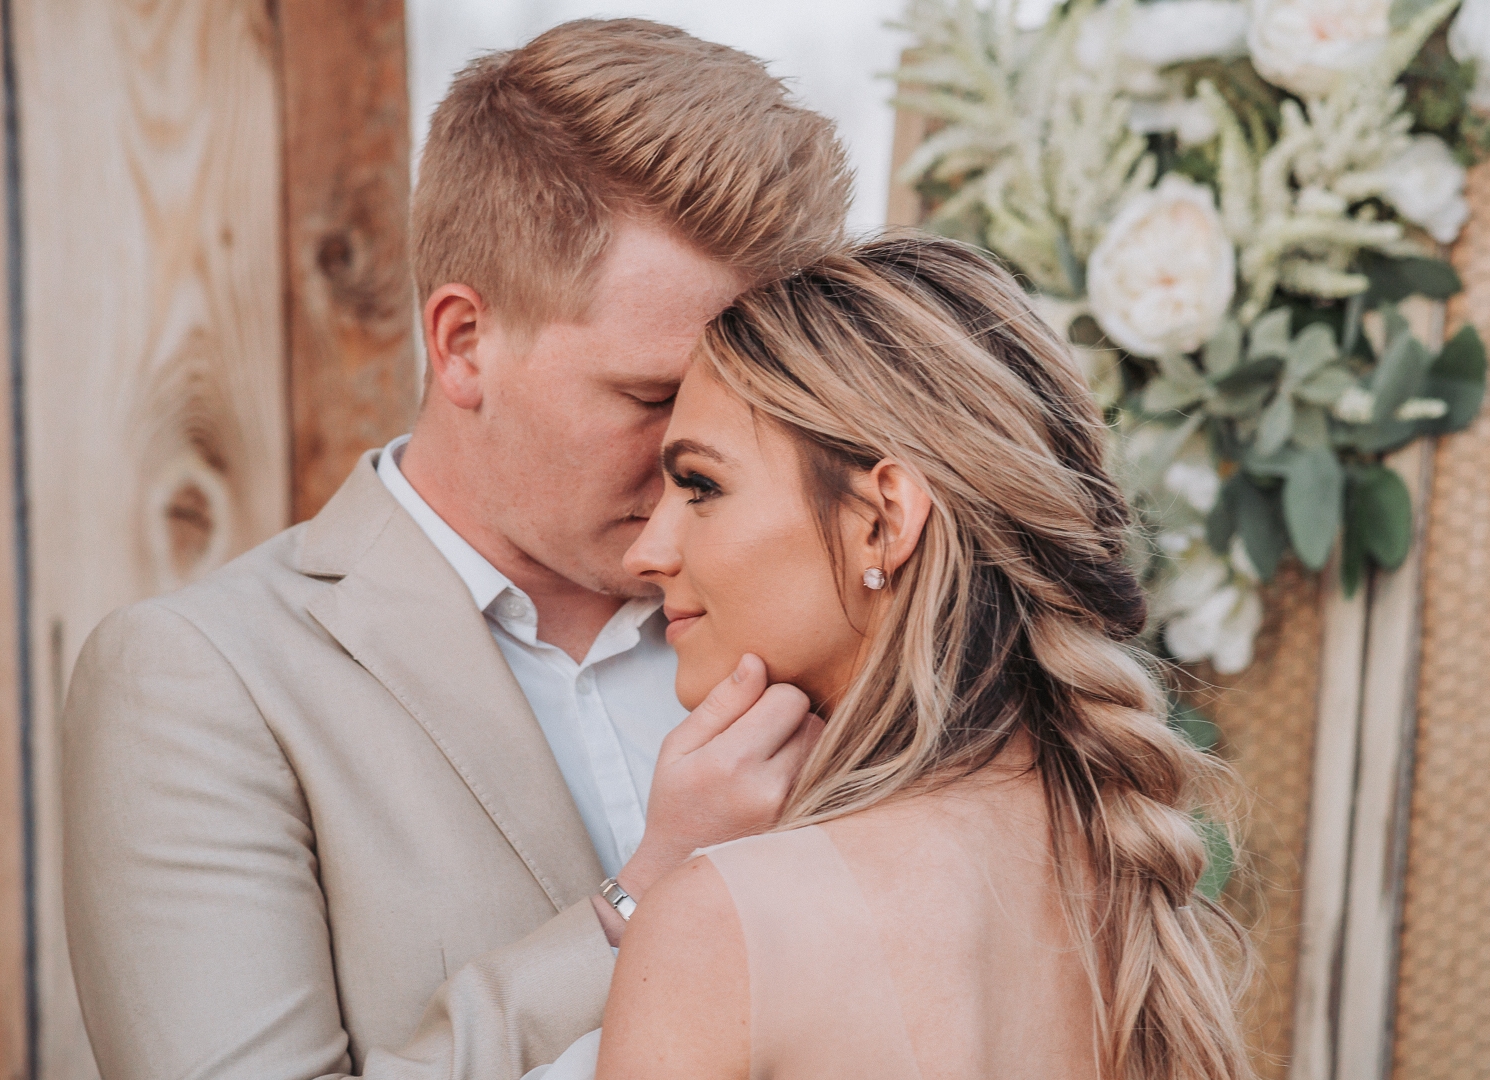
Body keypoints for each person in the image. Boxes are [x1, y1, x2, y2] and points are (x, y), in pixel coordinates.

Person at [61, 20, 850, 1080]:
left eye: (753, 408)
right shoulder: (200, 680)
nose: (697, 453)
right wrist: (644, 895)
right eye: (652, 397)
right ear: (463, 342)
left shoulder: (826, 617)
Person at [534, 234, 1257, 1080]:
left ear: (883, 517)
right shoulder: (1123, 888)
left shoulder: (725, 923)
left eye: (701, 487)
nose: (647, 554)